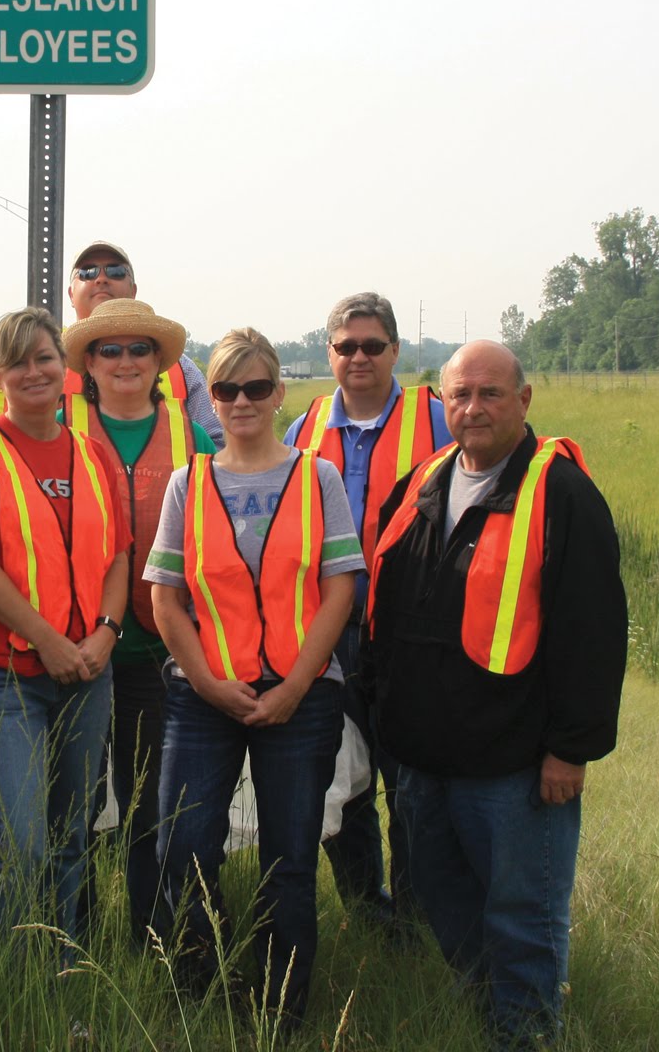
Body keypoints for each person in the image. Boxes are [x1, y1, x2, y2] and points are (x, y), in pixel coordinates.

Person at [365, 340, 626, 1050]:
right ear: (441, 403)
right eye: (459, 396)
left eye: (489, 394)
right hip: (421, 759)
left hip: (514, 768)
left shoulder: (560, 493)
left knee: (521, 915)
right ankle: (484, 1016)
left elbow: (594, 631)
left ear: (524, 400)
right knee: (447, 906)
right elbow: (386, 613)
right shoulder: (422, 483)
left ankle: (526, 1036)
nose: (473, 409)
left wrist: (570, 750)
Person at [147, 328, 360, 1024]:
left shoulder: (315, 476)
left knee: (289, 857)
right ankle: (196, 985)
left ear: (279, 394)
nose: (241, 401)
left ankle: (282, 1006)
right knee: (184, 846)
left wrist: (298, 684)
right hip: (204, 694)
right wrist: (207, 682)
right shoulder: (190, 480)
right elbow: (165, 597)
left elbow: (339, 589)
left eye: (257, 388)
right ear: (211, 396)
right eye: (227, 388)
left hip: (301, 697)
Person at [0, 307, 129, 940]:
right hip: (3, 676)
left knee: (72, 832)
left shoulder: (92, 455)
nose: (34, 371)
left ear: (64, 368)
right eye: (17, 361)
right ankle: (9, 977)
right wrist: (49, 641)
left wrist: (103, 634)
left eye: (44, 357)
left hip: (87, 672)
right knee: (18, 839)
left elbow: (119, 556)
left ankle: (59, 965)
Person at [282, 292, 450, 925]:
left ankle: (415, 914)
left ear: (395, 352)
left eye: (372, 346)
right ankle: (365, 906)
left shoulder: (437, 421)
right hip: (325, 633)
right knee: (341, 779)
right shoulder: (304, 429)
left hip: (409, 636)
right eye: (345, 346)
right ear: (329, 353)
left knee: (408, 779)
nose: (358, 357)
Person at [59, 298, 215, 948]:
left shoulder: (191, 435)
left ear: (158, 362)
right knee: (74, 805)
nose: (124, 361)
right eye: (109, 350)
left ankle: (149, 936)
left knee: (150, 800)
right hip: (73, 649)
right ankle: (75, 934)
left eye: (138, 349)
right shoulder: (58, 424)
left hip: (160, 651)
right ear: (88, 364)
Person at [63, 241, 223, 446]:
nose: (101, 279)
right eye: (87, 272)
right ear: (70, 294)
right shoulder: (42, 364)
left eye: (116, 271)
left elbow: (215, 447)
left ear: (133, 290)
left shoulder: (184, 371)